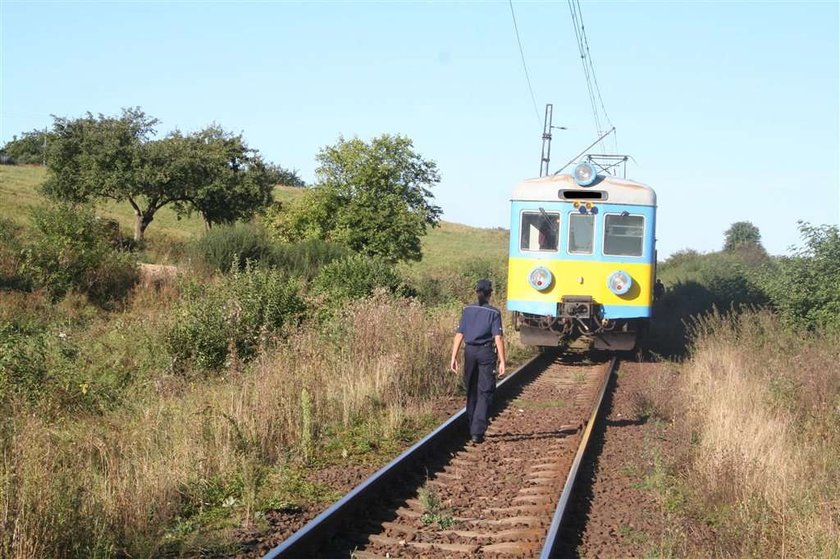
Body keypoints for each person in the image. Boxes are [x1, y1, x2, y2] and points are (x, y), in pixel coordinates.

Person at [449, 279, 506, 444]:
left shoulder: (467, 310)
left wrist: (453, 357)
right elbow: (498, 338)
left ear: (477, 292)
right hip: (486, 353)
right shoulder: (494, 313)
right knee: (485, 391)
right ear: (490, 294)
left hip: (469, 352)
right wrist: (502, 361)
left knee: (471, 389)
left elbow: (459, 335)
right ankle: (477, 431)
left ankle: (471, 425)